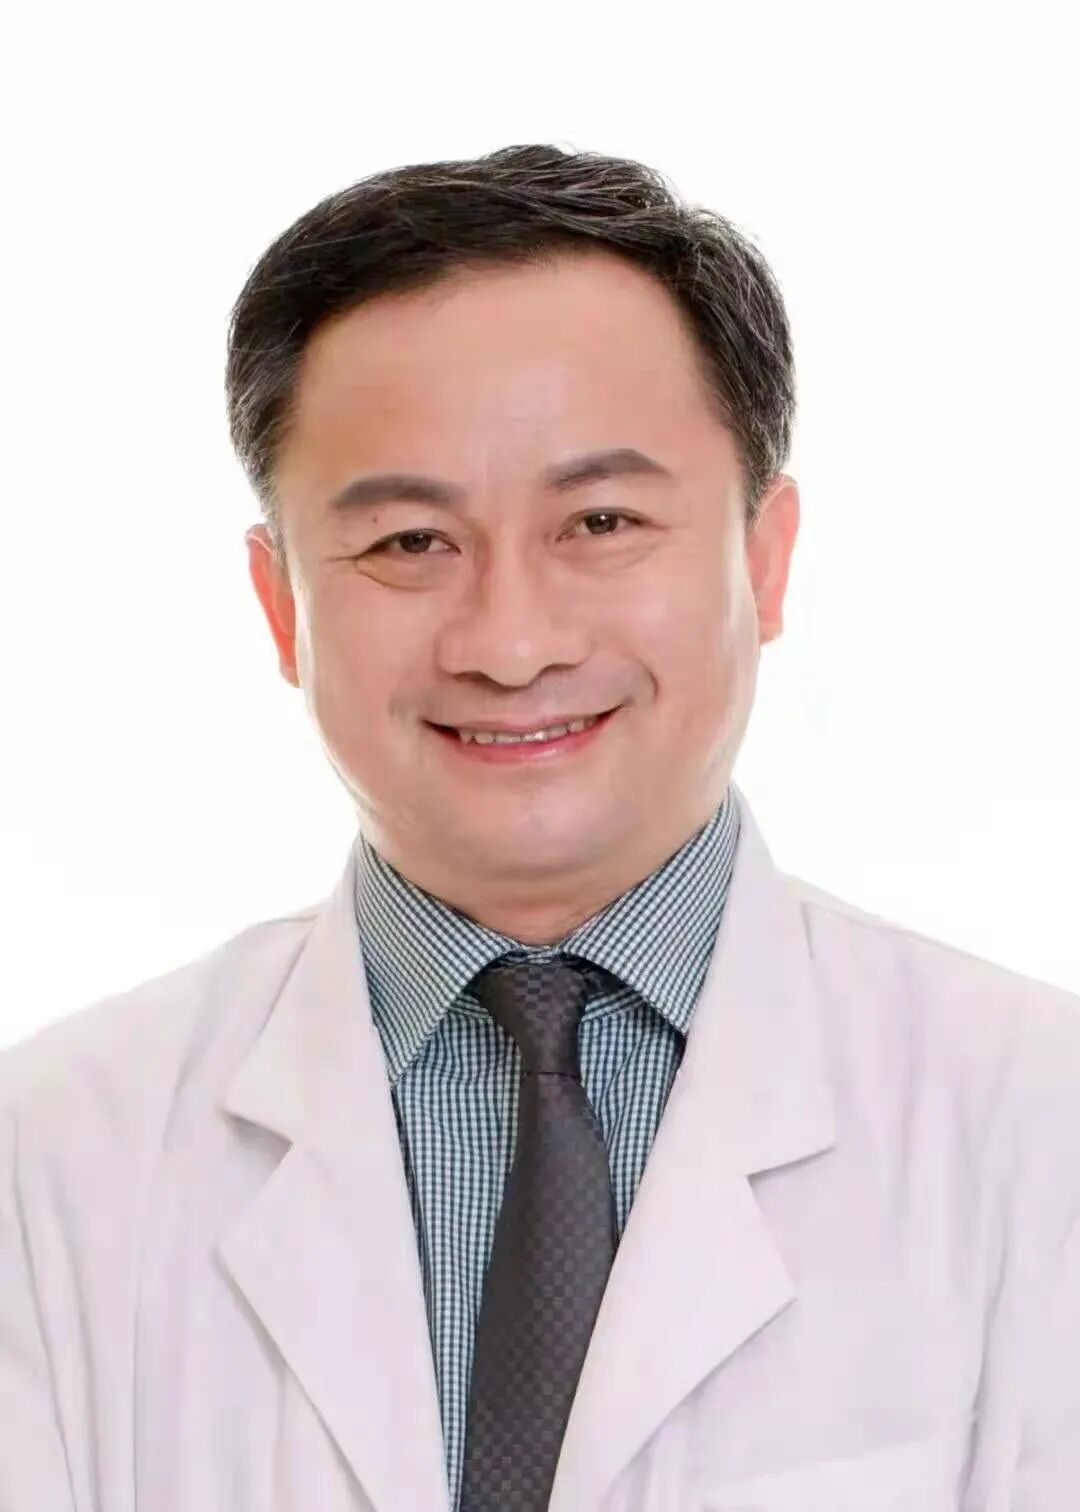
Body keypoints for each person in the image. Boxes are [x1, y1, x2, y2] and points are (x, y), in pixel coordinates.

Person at [2, 143, 1077, 1512]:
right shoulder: (49, 1161)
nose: (510, 644)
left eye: (601, 521)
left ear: (764, 558)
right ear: (281, 606)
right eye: (409, 543)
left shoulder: (1040, 1127)